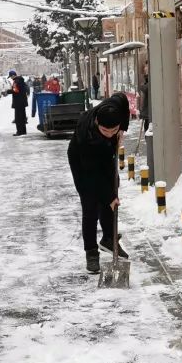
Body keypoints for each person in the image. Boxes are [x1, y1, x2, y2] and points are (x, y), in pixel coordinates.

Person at [67, 93, 130, 274]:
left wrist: (122, 130)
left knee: (111, 191)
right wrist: (109, 196)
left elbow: (123, 99)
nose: (110, 134)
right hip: (82, 161)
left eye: (113, 130)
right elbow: (93, 175)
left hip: (105, 154)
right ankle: (91, 252)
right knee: (91, 204)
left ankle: (109, 239)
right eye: (106, 131)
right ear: (97, 123)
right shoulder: (86, 136)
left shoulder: (115, 105)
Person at [9, 69, 29, 136]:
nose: (11, 78)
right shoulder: (21, 80)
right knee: (22, 117)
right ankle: (23, 131)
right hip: (22, 102)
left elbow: (15, 90)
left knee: (18, 118)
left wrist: (9, 91)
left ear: (13, 75)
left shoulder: (16, 81)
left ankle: (19, 131)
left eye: (11, 77)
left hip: (18, 102)